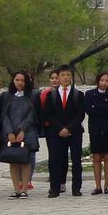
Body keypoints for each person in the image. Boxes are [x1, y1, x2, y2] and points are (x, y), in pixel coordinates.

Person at [42, 65, 85, 198]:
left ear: (71, 77)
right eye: (62, 75)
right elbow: (48, 114)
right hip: (56, 132)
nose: (65, 77)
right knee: (55, 160)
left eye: (68, 75)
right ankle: (54, 188)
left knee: (76, 160)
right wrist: (60, 128)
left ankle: (76, 188)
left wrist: (69, 128)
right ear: (58, 77)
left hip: (74, 131)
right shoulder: (51, 95)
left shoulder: (78, 94)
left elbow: (80, 114)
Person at [0, 71, 38, 199]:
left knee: (25, 161)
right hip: (10, 133)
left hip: (27, 133)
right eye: (17, 80)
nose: (20, 83)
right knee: (13, 161)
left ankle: (24, 189)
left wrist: (22, 130)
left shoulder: (33, 95)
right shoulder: (6, 95)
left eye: (23, 80)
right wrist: (9, 131)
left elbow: (33, 115)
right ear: (13, 81)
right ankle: (16, 189)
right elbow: (3, 115)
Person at [85, 71, 108, 195]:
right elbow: (89, 110)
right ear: (97, 81)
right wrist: (103, 107)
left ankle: (107, 185)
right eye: (101, 80)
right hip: (95, 129)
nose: (104, 83)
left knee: (107, 156)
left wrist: (98, 107)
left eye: (106, 80)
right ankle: (98, 186)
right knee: (96, 157)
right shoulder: (89, 94)